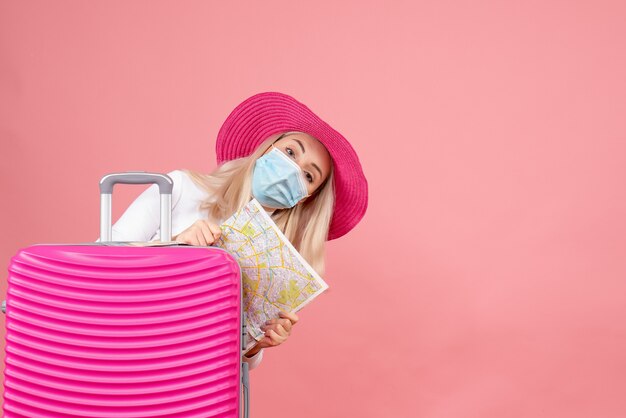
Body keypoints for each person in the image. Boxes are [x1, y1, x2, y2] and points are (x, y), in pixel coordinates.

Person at [102, 91, 369, 370]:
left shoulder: (276, 266)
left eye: (308, 175)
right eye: (290, 152)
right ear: (266, 148)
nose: (292, 170)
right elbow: (101, 261)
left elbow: (233, 362)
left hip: (189, 381)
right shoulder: (179, 188)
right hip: (124, 353)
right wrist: (175, 246)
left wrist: (256, 345)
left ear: (307, 198)